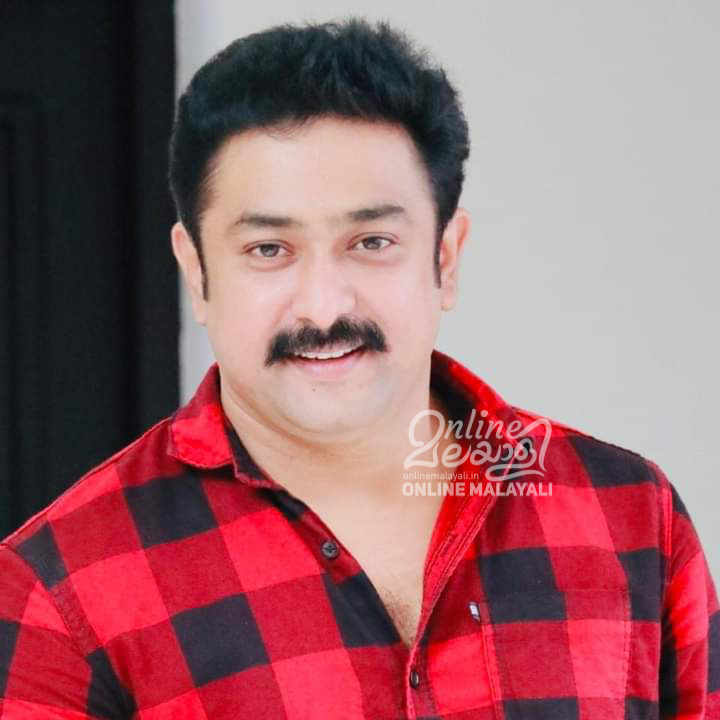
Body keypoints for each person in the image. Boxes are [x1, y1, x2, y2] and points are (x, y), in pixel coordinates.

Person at [1, 17, 718, 720]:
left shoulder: (630, 513)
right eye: (269, 250)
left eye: (371, 242)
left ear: (445, 259)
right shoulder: (62, 586)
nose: (323, 308)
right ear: (196, 272)